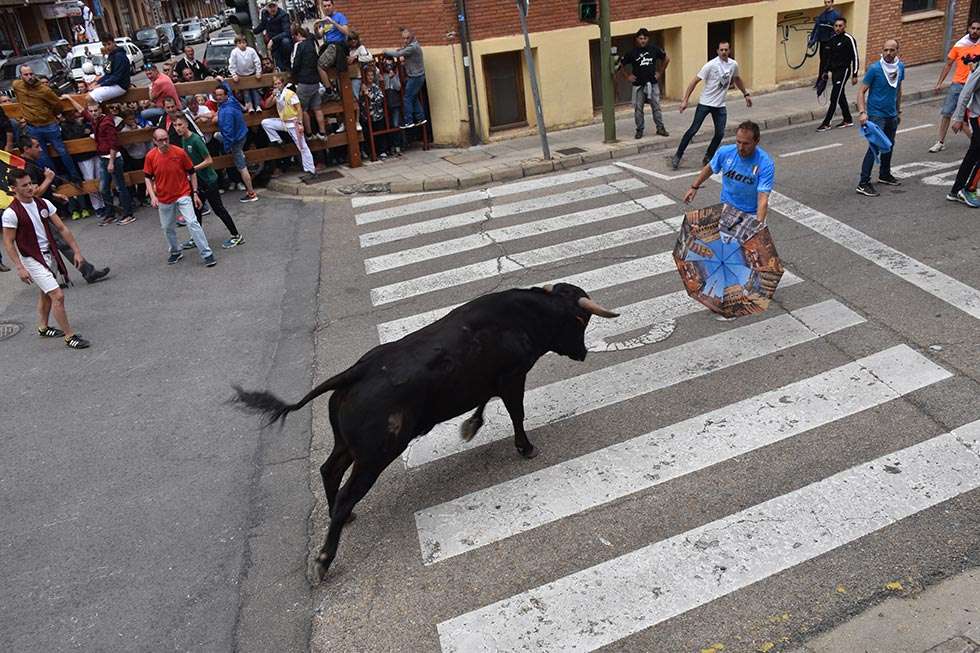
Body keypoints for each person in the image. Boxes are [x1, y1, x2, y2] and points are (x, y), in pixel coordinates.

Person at [2, 169, 91, 349]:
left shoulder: (43, 203)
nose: (30, 187)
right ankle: (69, 336)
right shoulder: (11, 214)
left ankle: (43, 327)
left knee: (46, 293)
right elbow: (9, 243)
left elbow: (62, 228)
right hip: (32, 258)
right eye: (24, 185)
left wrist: (77, 252)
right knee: (57, 295)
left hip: (50, 255)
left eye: (30, 183)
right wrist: (20, 267)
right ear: (14, 189)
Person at [671, 42, 752, 170]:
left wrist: (746, 94)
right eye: (721, 50)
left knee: (719, 133)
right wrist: (685, 100)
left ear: (729, 50)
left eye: (726, 50)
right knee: (693, 130)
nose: (724, 52)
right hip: (705, 103)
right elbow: (694, 81)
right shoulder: (711, 65)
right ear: (717, 51)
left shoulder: (733, 65)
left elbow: (737, 79)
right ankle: (677, 156)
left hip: (720, 106)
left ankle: (708, 156)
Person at [142, 128, 215, 266]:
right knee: (167, 227)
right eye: (160, 140)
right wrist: (153, 196)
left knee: (192, 222)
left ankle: (207, 253)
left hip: (182, 193)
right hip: (164, 197)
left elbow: (191, 172)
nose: (164, 142)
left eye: (166, 139)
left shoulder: (179, 152)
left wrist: (194, 193)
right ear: (154, 141)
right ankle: (175, 251)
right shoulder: (150, 157)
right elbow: (147, 177)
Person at [683, 120, 773, 225]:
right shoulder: (725, 152)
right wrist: (694, 187)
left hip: (751, 213)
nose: (741, 148)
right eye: (738, 142)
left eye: (746, 143)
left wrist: (758, 226)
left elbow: (763, 198)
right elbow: (710, 168)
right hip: (727, 209)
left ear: (756, 141)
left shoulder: (765, 163)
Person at [173, 116, 244, 248]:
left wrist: (192, 169)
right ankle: (196, 238)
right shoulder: (183, 139)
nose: (178, 128)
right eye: (175, 125)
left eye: (180, 125)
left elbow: (209, 160)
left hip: (208, 181)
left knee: (218, 209)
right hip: (197, 182)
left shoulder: (195, 140)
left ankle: (236, 235)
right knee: (196, 211)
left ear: (186, 124)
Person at [69, 95, 136, 226]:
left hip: (113, 159)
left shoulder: (107, 122)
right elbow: (82, 110)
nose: (93, 113)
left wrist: (111, 161)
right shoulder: (95, 120)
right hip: (103, 158)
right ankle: (110, 213)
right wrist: (69, 98)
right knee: (104, 188)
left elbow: (114, 143)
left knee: (120, 187)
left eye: (95, 110)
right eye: (91, 111)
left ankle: (128, 214)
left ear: (100, 110)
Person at [13, 65, 83, 182]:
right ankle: (55, 180)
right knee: (42, 156)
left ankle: (75, 177)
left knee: (62, 151)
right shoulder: (17, 85)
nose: (29, 77)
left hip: (49, 125)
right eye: (26, 75)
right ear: (21, 76)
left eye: (31, 74)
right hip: (33, 126)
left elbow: (58, 104)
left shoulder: (44, 89)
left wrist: (52, 115)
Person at [855, 40, 904, 197]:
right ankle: (863, 183)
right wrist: (862, 112)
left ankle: (884, 175)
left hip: (892, 115)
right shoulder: (875, 69)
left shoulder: (900, 67)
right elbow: (861, 91)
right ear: (882, 51)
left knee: (889, 145)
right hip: (876, 115)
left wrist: (898, 110)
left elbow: (898, 89)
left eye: (892, 50)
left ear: (897, 51)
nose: (888, 53)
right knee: (874, 148)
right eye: (885, 50)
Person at [930, 21, 980, 153]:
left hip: (975, 86)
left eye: (978, 29)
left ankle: (975, 144)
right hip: (958, 83)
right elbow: (948, 64)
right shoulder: (959, 46)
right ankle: (940, 142)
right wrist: (939, 83)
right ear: (969, 29)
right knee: (946, 112)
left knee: (971, 116)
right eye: (973, 28)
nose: (975, 31)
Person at [618, 28, 669, 140]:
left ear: (648, 39)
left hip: (652, 83)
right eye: (640, 38)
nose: (643, 41)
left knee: (656, 107)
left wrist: (660, 72)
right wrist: (627, 76)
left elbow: (666, 59)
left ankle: (660, 128)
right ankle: (639, 130)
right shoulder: (632, 53)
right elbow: (620, 64)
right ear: (637, 39)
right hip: (638, 85)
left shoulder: (654, 49)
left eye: (645, 38)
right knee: (638, 109)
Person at [261, 76, 316, 179]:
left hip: (293, 123)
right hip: (284, 122)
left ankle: (311, 170)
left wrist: (300, 123)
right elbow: (267, 105)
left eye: (278, 83)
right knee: (265, 123)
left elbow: (299, 108)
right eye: (275, 84)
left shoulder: (290, 94)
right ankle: (277, 140)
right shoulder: (277, 95)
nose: (277, 86)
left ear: (282, 84)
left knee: (302, 147)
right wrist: (272, 95)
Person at [214, 78, 258, 202]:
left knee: (242, 167)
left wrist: (227, 148)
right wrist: (222, 81)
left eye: (220, 95)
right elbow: (228, 89)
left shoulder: (226, 112)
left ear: (225, 96)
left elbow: (228, 134)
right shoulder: (231, 100)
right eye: (216, 95)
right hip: (242, 134)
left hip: (235, 141)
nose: (218, 97)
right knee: (217, 135)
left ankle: (251, 193)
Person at [816, 17, 859, 132]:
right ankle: (848, 119)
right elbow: (828, 58)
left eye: (840, 26)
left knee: (834, 96)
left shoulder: (849, 39)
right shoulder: (832, 40)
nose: (838, 28)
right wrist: (825, 72)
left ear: (845, 26)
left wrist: (855, 74)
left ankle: (826, 123)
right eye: (836, 26)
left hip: (844, 71)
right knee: (840, 96)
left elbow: (855, 57)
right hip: (834, 72)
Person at [947, 60, 980, 206]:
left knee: (972, 155)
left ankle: (956, 190)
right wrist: (959, 118)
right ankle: (968, 189)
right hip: (978, 116)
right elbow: (965, 92)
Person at [290, 25, 328, 141]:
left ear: (298, 35)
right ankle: (322, 133)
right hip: (315, 81)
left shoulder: (299, 46)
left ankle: (309, 134)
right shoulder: (312, 43)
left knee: (303, 109)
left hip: (304, 81)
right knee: (317, 108)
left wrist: (293, 74)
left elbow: (295, 63)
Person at [383, 28, 426, 129]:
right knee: (413, 97)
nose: (405, 40)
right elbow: (402, 51)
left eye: (407, 38)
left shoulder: (413, 47)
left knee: (407, 98)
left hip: (415, 77)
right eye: (404, 38)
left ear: (412, 37)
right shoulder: (412, 46)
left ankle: (408, 121)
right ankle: (420, 118)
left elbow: (398, 54)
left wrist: (386, 51)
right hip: (417, 76)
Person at [85, 36, 131, 106]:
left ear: (114, 43)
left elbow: (117, 77)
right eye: (104, 45)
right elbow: (107, 73)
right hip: (114, 84)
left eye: (109, 44)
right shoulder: (110, 56)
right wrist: (97, 83)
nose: (107, 47)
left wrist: (100, 85)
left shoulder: (120, 56)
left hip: (120, 86)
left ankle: (98, 116)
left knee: (89, 98)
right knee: (89, 93)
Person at [228, 36, 263, 113]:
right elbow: (232, 64)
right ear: (236, 44)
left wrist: (258, 72)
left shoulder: (251, 50)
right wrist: (234, 75)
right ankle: (250, 106)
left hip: (252, 73)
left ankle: (257, 106)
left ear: (246, 43)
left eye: (243, 42)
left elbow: (257, 61)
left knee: (254, 90)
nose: (242, 45)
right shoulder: (234, 52)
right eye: (239, 43)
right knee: (246, 91)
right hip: (241, 75)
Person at [254, 1, 292, 72]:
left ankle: (288, 63)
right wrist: (253, 31)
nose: (272, 9)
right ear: (266, 8)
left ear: (277, 6)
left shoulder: (283, 15)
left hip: (282, 43)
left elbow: (286, 32)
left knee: (285, 42)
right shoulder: (264, 13)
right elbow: (263, 25)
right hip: (274, 46)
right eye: (270, 7)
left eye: (273, 6)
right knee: (279, 66)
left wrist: (272, 40)